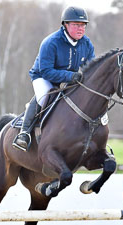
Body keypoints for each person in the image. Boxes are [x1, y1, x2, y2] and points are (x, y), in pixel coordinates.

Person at [12, 6, 95, 151]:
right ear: (65, 24)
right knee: (44, 97)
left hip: (71, 79)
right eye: (76, 25)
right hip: (44, 77)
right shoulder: (51, 42)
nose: (80, 28)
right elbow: (46, 71)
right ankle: (24, 133)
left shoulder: (86, 43)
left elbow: (91, 67)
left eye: (83, 25)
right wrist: (71, 76)